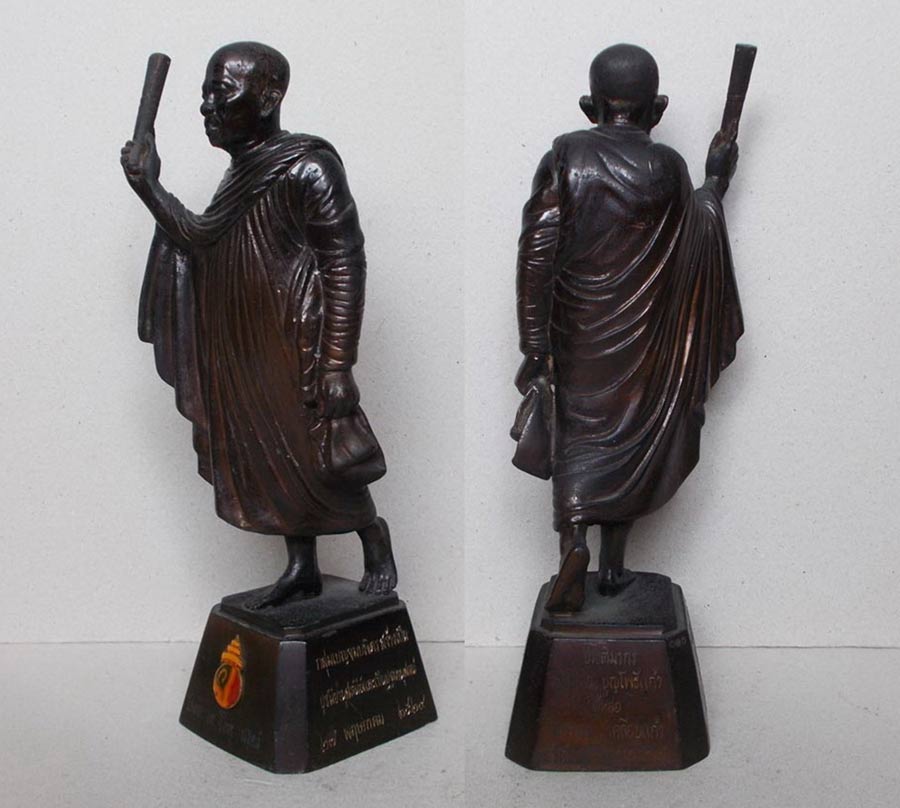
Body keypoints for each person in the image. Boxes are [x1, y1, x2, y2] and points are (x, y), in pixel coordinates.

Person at [120, 42, 396, 608]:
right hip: (247, 344)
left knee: (316, 452)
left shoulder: (309, 166)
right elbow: (200, 239)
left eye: (221, 92)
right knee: (269, 458)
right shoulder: (239, 174)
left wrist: (337, 362)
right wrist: (149, 188)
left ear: (269, 98)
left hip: (298, 341)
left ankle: (373, 536)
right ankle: (301, 565)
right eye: (204, 94)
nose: (207, 106)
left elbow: (345, 262)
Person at [514, 44, 744, 611]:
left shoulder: (566, 156)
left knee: (576, 439)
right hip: (644, 342)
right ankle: (613, 566)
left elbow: (536, 254)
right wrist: (715, 184)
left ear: (588, 105)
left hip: (577, 337)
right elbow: (699, 235)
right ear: (657, 109)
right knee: (632, 436)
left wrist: (535, 344)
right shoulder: (669, 169)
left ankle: (574, 543)